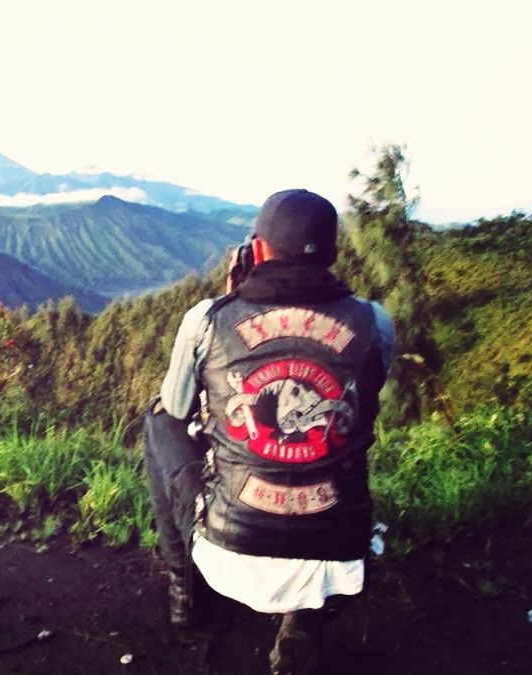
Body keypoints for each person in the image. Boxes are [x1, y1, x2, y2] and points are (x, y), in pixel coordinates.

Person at [143, 188, 394, 675]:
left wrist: (232, 296)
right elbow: (365, 397)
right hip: (339, 555)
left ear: (255, 251)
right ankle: (307, 621)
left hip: (230, 548)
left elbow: (176, 406)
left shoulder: (208, 318)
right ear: (333, 256)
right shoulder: (374, 321)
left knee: (157, 420)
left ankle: (185, 594)